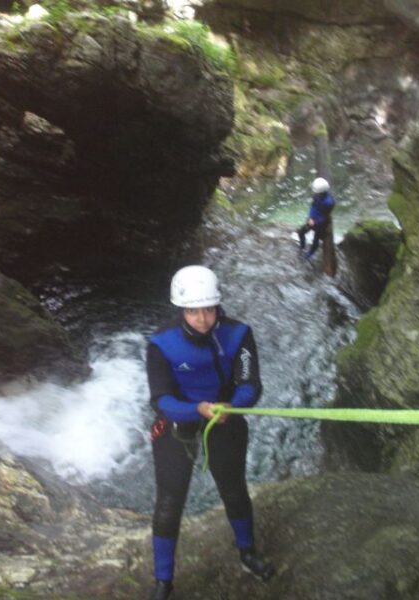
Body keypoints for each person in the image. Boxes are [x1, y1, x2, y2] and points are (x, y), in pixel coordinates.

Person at [146, 265, 275, 600]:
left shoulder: (238, 333)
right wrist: (196, 410)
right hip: (181, 421)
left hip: (224, 418)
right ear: (181, 310)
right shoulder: (161, 343)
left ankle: (247, 553)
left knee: (233, 490)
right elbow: (160, 399)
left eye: (208, 309)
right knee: (169, 503)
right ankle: (164, 582)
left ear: (218, 306)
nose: (202, 319)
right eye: (193, 311)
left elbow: (250, 384)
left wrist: (231, 406)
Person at [297, 177, 335, 259]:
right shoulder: (317, 196)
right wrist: (311, 217)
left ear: (321, 192)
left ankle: (309, 254)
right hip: (313, 219)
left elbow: (324, 216)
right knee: (301, 232)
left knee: (316, 239)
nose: (315, 193)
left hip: (321, 223)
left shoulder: (328, 202)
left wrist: (315, 222)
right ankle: (302, 246)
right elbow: (313, 206)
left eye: (317, 192)